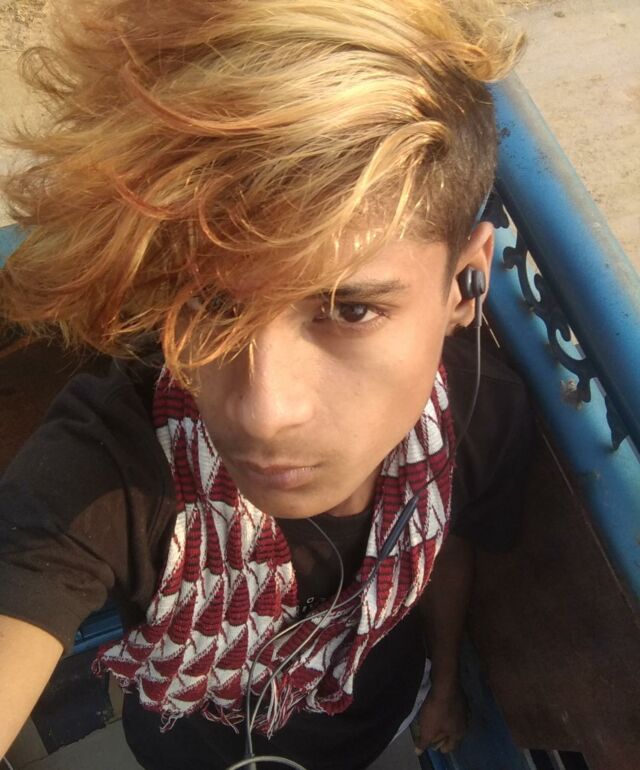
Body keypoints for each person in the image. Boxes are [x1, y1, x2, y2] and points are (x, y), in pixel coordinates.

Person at [0, 1, 529, 768]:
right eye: (209, 307)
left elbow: (447, 548)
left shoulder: (480, 419)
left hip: (367, 721)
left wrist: (444, 683)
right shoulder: (114, 467)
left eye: (350, 309)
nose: (262, 411)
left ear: (464, 284)